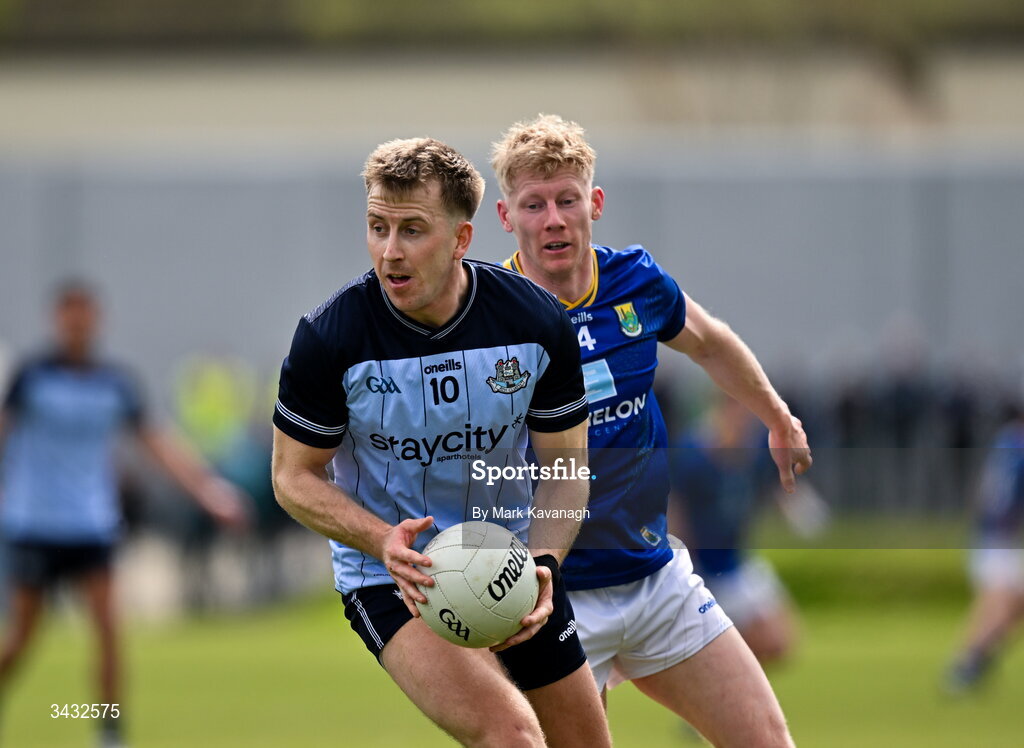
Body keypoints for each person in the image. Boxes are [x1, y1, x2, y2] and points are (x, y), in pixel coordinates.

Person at [270, 138, 611, 747]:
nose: (390, 253)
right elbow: (292, 477)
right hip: (393, 576)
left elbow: (567, 467)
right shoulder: (330, 337)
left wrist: (543, 562)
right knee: (511, 737)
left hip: (510, 566)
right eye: (378, 228)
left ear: (461, 240)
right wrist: (382, 541)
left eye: (412, 231)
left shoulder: (535, 322)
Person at [491, 114, 811, 747]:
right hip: (552, 598)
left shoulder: (636, 281)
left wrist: (776, 416)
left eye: (567, 199)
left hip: (656, 578)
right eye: (534, 204)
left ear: (595, 203)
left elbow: (711, 343)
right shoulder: (486, 314)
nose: (553, 218)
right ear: (507, 216)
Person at [0, 280, 248, 748]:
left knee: (109, 630)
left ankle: (109, 732)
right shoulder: (31, 378)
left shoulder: (114, 382)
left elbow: (158, 443)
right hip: (34, 522)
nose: (77, 323)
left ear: (96, 319)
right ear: (56, 319)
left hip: (90, 524)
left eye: (85, 313)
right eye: (69, 314)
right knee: (23, 637)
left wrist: (210, 492)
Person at [670, 395, 821, 665]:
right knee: (736, 648)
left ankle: (735, 677)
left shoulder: (754, 450)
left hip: (738, 562)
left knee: (780, 643)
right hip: (705, 567)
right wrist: (684, 564)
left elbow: (774, 485)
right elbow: (676, 510)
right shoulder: (694, 455)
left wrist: (800, 511)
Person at [945, 402, 1024, 695]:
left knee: (1007, 606)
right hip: (1003, 536)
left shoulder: (1009, 439)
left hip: (993, 533)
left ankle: (973, 663)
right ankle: (966, 668)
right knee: (999, 607)